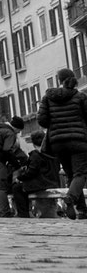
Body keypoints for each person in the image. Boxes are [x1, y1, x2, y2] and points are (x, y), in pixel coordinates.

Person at [37, 67, 87, 220]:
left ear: (59, 80)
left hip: (57, 142)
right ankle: (70, 198)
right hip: (78, 140)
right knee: (81, 173)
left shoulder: (48, 97)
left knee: (71, 174)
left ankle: (82, 210)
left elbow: (42, 121)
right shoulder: (80, 97)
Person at [11, 130, 61, 218]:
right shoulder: (54, 153)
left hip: (41, 183)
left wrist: (20, 178)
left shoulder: (36, 155)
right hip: (53, 181)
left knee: (17, 188)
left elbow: (31, 172)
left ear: (33, 143)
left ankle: (23, 214)